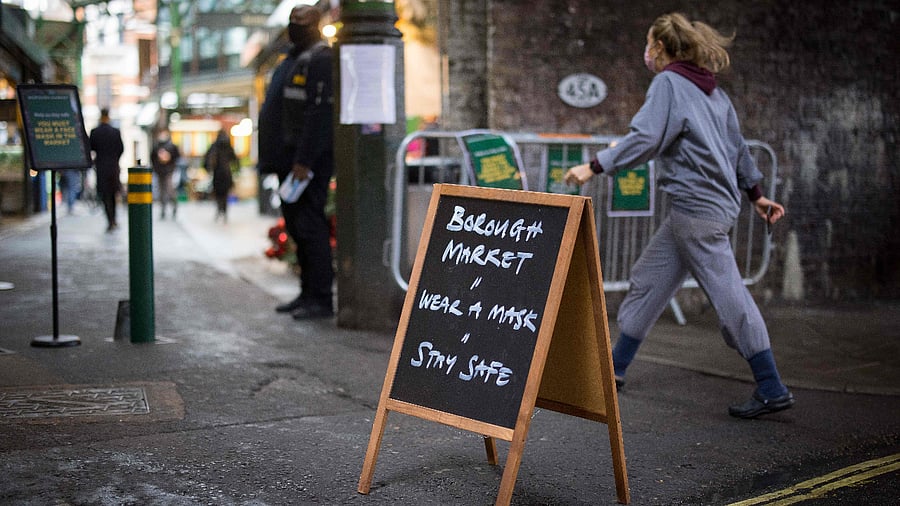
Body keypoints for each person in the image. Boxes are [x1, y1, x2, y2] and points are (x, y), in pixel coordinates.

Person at [564, 12, 793, 419]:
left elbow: (647, 137)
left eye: (650, 44)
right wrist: (756, 195)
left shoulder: (668, 83)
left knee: (730, 296)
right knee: (649, 279)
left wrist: (595, 165)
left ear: (663, 49)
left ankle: (771, 385)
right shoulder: (713, 93)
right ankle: (615, 368)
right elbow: (738, 149)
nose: (646, 52)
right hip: (697, 209)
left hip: (699, 211)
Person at [257, 5, 335, 320]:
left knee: (310, 226)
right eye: (292, 23)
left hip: (306, 163)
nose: (294, 29)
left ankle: (320, 298)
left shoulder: (321, 58)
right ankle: (307, 293)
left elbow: (320, 115)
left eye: (300, 24)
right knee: (298, 228)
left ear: (315, 26)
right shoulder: (292, 59)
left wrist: (304, 160)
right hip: (288, 161)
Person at [88, 108, 125, 232]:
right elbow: (121, 148)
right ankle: (113, 219)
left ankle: (110, 219)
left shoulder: (95, 132)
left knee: (105, 195)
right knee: (113, 194)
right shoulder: (115, 132)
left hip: (101, 167)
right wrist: (115, 160)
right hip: (113, 167)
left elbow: (90, 148)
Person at [204, 129, 238, 223]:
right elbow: (235, 159)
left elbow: (207, 159)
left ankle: (219, 209)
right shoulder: (228, 146)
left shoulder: (214, 146)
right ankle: (225, 211)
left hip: (217, 173)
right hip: (227, 173)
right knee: (225, 194)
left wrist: (207, 169)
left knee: (218, 193)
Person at [151, 128, 181, 220]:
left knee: (169, 189)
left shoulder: (171, 146)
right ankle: (163, 209)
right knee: (161, 191)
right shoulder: (156, 146)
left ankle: (174, 206)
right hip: (160, 171)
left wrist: (169, 160)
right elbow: (152, 158)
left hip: (169, 171)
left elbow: (177, 157)